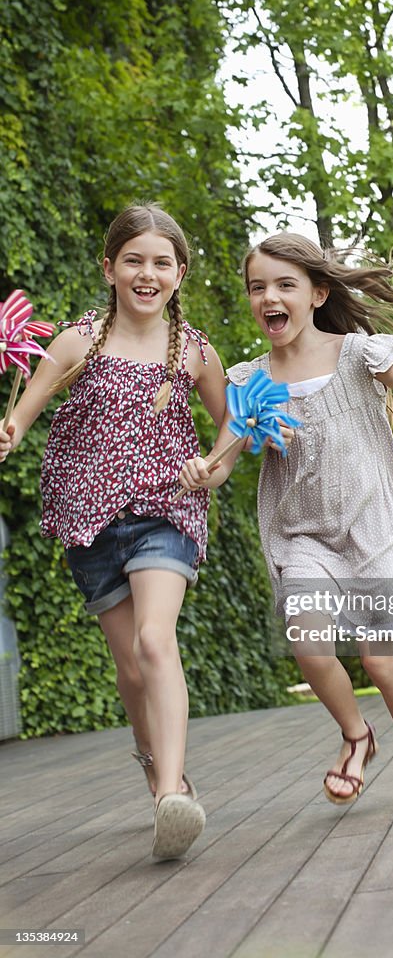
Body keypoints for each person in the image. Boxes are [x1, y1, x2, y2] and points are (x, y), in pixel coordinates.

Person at [180, 232, 393, 808]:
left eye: (285, 285)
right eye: (257, 287)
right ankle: (356, 735)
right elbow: (223, 459)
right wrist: (203, 471)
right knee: (310, 643)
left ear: (318, 294)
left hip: (376, 531)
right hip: (302, 536)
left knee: (378, 657)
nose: (269, 296)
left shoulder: (357, 354)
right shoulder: (249, 382)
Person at [0, 203, 229, 859]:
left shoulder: (195, 351)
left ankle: (170, 793)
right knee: (130, 667)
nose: (146, 273)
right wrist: (10, 431)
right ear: (109, 268)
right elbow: (25, 412)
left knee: (156, 642)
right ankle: (156, 762)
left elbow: (232, 425)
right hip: (90, 519)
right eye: (133, 260)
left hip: (166, 510)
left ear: (179, 273)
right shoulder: (76, 340)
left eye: (161, 262)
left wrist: (212, 469)